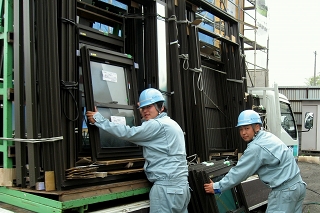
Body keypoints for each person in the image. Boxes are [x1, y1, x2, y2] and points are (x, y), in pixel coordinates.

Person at [86, 88, 191, 213]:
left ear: (161, 107)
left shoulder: (156, 125)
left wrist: (100, 120)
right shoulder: (171, 123)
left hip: (166, 188)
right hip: (182, 188)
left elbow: (128, 133)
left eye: (149, 107)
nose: (145, 111)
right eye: (142, 108)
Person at [204, 109, 306, 213]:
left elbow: (239, 172)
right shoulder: (268, 136)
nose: (243, 133)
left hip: (285, 192)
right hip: (298, 186)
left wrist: (217, 187)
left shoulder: (256, 147)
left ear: (256, 127)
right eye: (241, 129)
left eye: (247, 128)